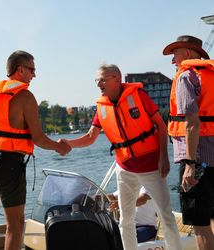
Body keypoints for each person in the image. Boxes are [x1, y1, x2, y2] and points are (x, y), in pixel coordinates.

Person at [59, 63, 182, 250]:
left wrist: (163, 157)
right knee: (126, 219)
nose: (98, 84)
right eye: (97, 80)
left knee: (166, 216)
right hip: (124, 167)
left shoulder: (138, 96)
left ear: (116, 78)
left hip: (151, 165)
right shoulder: (101, 107)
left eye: (102, 79)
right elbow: (90, 137)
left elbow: (161, 126)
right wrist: (69, 144)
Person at [0, 50, 71, 250]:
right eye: (32, 69)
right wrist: (59, 147)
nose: (34, 75)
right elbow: (38, 138)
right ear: (20, 69)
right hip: (8, 164)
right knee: (15, 225)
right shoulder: (25, 96)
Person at [163, 35, 214, 249]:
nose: (173, 61)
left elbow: (192, 122)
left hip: (197, 157)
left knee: (200, 224)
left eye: (175, 55)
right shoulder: (210, 76)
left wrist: (190, 164)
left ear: (186, 53)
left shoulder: (186, 76)